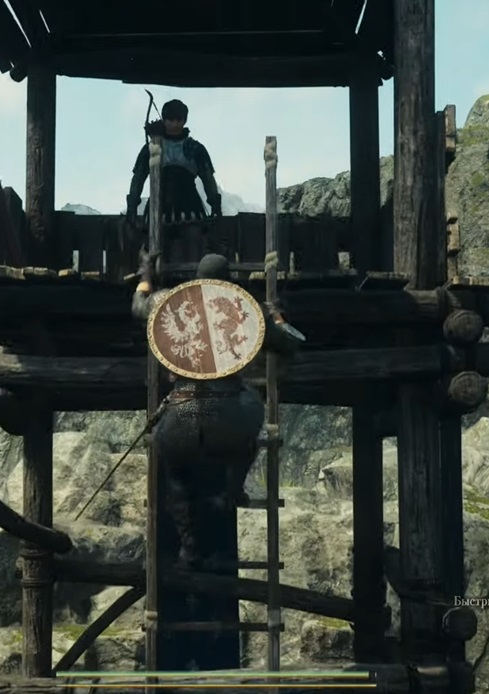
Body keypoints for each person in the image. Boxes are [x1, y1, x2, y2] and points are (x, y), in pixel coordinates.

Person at [131, 251, 301, 671]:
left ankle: (188, 541)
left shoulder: (170, 300)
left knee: (175, 470)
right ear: (229, 279)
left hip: (182, 412)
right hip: (230, 413)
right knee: (251, 427)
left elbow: (138, 307)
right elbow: (293, 342)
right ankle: (231, 488)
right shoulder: (247, 307)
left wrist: (147, 276)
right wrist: (276, 316)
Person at [125, 99, 222, 228]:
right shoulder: (152, 147)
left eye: (178, 120)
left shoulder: (195, 148)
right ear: (164, 120)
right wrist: (132, 206)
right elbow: (138, 177)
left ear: (184, 120)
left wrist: (215, 205)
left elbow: (208, 178)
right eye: (171, 120)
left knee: (193, 235)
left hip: (190, 209)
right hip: (157, 210)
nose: (175, 124)